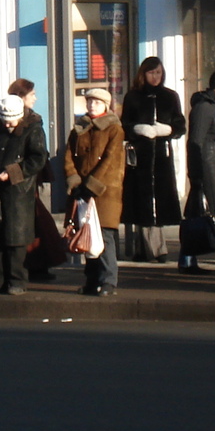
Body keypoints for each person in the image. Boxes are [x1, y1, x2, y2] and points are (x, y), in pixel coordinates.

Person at [0, 93, 50, 295]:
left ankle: (17, 281)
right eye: (5, 121)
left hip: (18, 191)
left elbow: (38, 158)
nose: (8, 125)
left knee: (16, 238)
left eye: (11, 122)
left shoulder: (33, 129)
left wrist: (13, 172)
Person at [120, 56, 185, 262]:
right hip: (140, 157)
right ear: (143, 74)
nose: (155, 77)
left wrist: (168, 130)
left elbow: (180, 125)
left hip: (162, 156)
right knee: (141, 202)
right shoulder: (133, 97)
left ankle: (155, 248)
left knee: (160, 200)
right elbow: (124, 125)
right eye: (151, 72)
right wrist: (137, 129)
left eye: (158, 72)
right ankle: (146, 248)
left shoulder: (170, 96)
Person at [65, 87, 127, 296]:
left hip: (105, 193)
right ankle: (92, 281)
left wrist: (91, 186)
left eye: (97, 102)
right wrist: (74, 181)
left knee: (105, 237)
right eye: (90, 101)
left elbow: (111, 161)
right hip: (81, 192)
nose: (92, 105)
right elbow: (69, 158)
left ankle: (109, 281)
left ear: (106, 105)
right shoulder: (79, 129)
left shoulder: (114, 129)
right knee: (86, 236)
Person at [11, 78, 68, 283]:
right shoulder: (10, 120)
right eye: (31, 94)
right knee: (34, 223)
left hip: (28, 179)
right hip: (16, 182)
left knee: (38, 222)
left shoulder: (34, 120)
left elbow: (37, 154)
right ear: (21, 97)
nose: (35, 98)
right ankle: (22, 266)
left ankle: (37, 264)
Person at [182, 68, 215, 271]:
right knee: (203, 214)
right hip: (207, 169)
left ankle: (189, 259)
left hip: (214, 166)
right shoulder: (206, 107)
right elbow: (196, 142)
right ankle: (189, 259)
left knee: (203, 214)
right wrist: (196, 176)